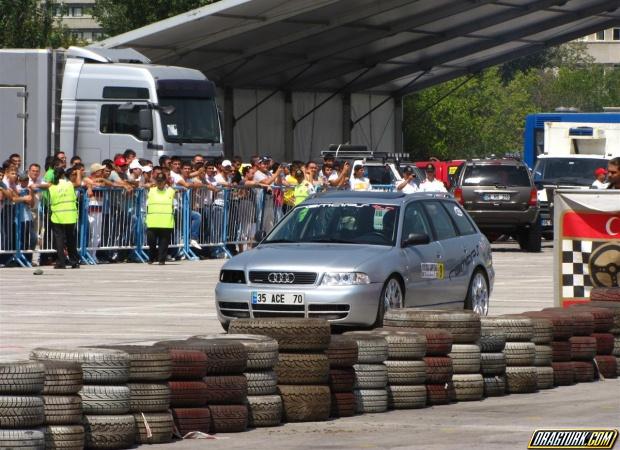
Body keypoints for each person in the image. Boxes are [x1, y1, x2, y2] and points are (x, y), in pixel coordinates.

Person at [48, 166, 81, 269]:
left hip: (58, 215)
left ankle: (61, 262)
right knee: (71, 238)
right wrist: (79, 172)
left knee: (59, 239)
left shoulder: (51, 186)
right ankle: (74, 261)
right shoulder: (69, 184)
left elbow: (38, 186)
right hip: (70, 215)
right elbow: (79, 183)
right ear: (63, 175)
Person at [145, 172, 175, 264]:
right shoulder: (151, 190)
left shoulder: (171, 191)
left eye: (162, 181)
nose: (160, 182)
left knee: (163, 244)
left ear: (165, 181)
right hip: (152, 222)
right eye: (158, 181)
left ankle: (161, 260)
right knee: (151, 243)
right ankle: (151, 258)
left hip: (166, 222)